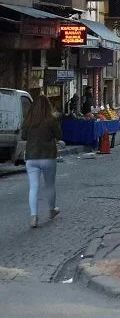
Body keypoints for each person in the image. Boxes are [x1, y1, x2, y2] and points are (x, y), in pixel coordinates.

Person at [21, 95, 62, 228]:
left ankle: (33, 216)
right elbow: (59, 135)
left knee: (33, 187)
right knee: (50, 185)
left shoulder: (29, 120)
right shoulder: (51, 119)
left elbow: (23, 136)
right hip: (48, 156)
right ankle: (51, 210)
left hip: (31, 157)